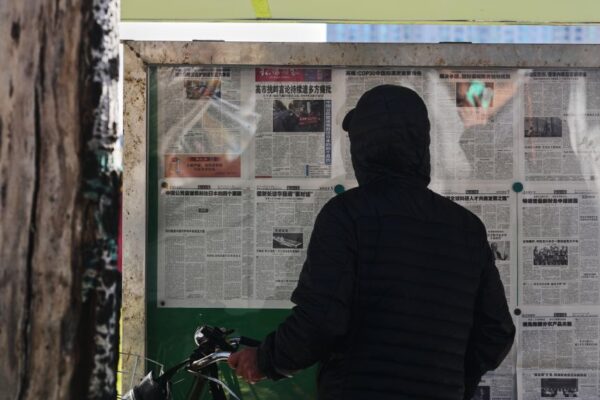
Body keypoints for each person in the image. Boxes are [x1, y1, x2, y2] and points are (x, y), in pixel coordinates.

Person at [229, 84, 515, 400]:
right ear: (422, 143)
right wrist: (447, 379)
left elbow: (321, 320)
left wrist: (266, 359)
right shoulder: (466, 228)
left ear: (361, 147)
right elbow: (496, 332)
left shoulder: (347, 216)